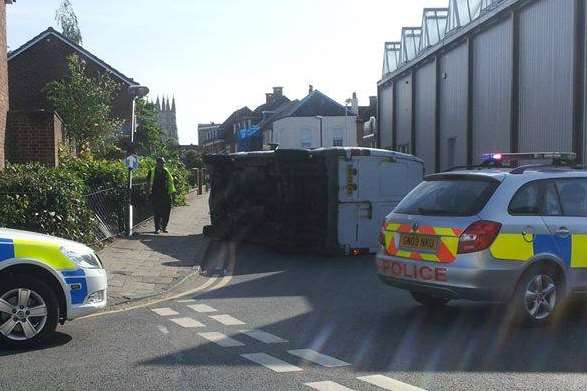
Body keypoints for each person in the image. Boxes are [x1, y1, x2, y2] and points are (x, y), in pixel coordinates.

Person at [148, 157, 176, 234]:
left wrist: (173, 195)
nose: (162, 164)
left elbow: (171, 183)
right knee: (157, 212)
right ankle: (157, 228)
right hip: (156, 195)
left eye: (163, 163)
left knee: (166, 212)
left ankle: (164, 227)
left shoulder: (166, 171)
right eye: (161, 163)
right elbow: (148, 183)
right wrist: (148, 194)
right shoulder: (152, 171)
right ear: (157, 163)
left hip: (166, 195)